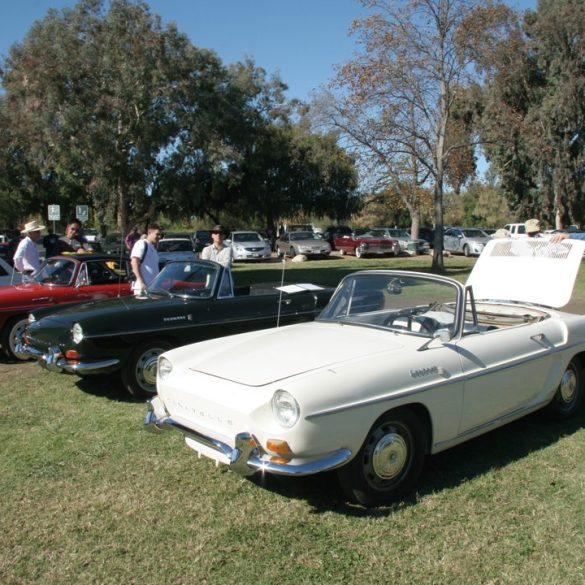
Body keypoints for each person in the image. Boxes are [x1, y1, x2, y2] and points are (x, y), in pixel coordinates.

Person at [200, 224, 234, 296]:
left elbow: (226, 265)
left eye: (221, 233)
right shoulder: (206, 250)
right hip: (210, 286)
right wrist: (218, 265)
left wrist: (212, 265)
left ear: (224, 236)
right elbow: (206, 267)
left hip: (225, 286)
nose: (218, 235)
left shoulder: (228, 249)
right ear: (212, 235)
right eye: (215, 233)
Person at [130, 223, 162, 296]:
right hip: (142, 289)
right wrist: (142, 283)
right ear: (149, 232)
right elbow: (134, 262)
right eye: (157, 234)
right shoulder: (141, 243)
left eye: (160, 235)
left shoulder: (153, 249)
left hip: (152, 289)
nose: (159, 237)